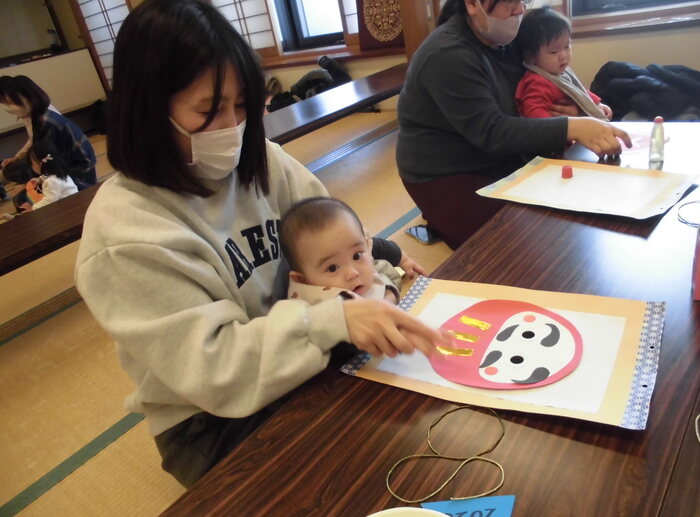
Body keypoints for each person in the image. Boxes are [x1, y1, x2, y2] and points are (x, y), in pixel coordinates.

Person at [75, 0, 447, 488]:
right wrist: (334, 320)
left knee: (416, 427)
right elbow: (216, 372)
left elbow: (336, 243)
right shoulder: (126, 232)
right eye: (208, 110)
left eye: (242, 105)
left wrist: (377, 277)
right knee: (352, 477)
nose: (232, 127)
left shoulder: (263, 160)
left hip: (304, 350)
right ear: (148, 109)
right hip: (212, 420)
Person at [396, 0, 632, 249]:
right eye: (510, 2)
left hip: (501, 155)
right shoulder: (447, 54)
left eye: (523, 0)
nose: (520, 10)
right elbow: (491, 131)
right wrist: (572, 126)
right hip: (447, 171)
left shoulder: (507, 40)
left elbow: (546, 81)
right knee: (517, 244)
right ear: (472, 4)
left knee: (572, 213)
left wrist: (574, 108)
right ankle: (440, 217)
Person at [280, 197, 417, 304]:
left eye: (356, 256)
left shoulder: (367, 264)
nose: (353, 273)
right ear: (302, 280)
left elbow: (379, 258)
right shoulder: (311, 313)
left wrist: (402, 260)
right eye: (332, 268)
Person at [0, 75, 97, 190]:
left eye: (10, 103)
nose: (8, 108)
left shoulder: (47, 124)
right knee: (14, 170)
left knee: (23, 194)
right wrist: (18, 158)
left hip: (79, 175)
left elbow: (49, 160)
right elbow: (36, 144)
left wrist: (40, 180)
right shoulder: (39, 116)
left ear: (29, 99)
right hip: (65, 164)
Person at [515, 7, 611, 120]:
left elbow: (578, 91)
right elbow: (533, 111)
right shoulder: (537, 82)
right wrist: (561, 126)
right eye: (553, 51)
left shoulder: (559, 72)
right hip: (558, 129)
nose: (563, 56)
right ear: (531, 56)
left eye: (566, 46)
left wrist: (596, 104)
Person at [15, 139, 78, 212]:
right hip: (72, 204)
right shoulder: (59, 172)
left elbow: (48, 202)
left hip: (68, 210)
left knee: (23, 202)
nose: (32, 167)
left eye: (32, 164)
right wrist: (40, 179)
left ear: (40, 163)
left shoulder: (51, 182)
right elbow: (50, 178)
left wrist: (32, 208)